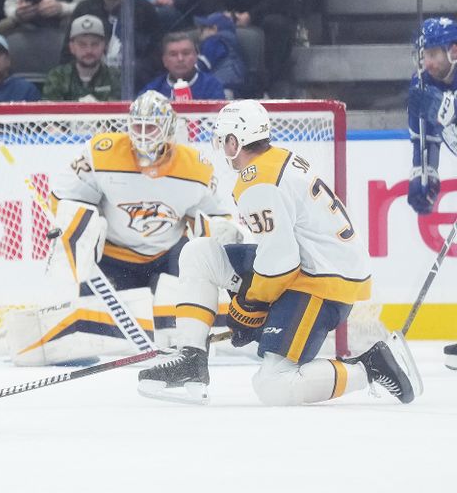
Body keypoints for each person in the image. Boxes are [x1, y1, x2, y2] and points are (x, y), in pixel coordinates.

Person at [138, 99, 421, 405]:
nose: (222, 149)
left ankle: (371, 366)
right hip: (311, 268)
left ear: (235, 142)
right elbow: (281, 250)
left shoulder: (258, 180)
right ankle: (191, 359)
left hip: (321, 283)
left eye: (223, 141)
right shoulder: (275, 160)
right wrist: (251, 299)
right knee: (200, 254)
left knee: (273, 384)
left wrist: (251, 303)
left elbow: (282, 261)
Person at [47, 90, 238, 352]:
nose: (144, 134)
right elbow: (65, 195)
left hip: (169, 256)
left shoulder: (196, 167)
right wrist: (74, 222)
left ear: (169, 128)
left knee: (175, 336)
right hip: (114, 257)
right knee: (100, 338)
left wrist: (223, 231)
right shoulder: (102, 152)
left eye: (152, 127)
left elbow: (216, 217)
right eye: (139, 125)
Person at [405, 17, 457, 371]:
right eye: (424, 54)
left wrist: (437, 105)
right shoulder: (421, 84)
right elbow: (426, 140)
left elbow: (446, 116)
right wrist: (424, 177)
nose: (428, 61)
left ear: (454, 51)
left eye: (435, 53)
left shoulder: (432, 90)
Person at [60, 0, 160, 89]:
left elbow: (156, 56)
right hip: (90, 83)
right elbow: (67, 54)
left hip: (135, 84)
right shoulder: (84, 9)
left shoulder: (145, 10)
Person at [43, 14, 119, 101]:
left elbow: (122, 110)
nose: (89, 50)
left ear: (104, 46)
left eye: (95, 44)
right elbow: (51, 111)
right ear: (72, 47)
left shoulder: (115, 76)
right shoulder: (58, 77)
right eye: (82, 44)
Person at [139, 30, 225, 100]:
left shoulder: (212, 86)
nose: (180, 59)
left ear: (196, 57)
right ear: (164, 61)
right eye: (173, 54)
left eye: (186, 53)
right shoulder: (153, 90)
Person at [194, 12, 247, 98]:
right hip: (234, 87)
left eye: (203, 28)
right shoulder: (230, 41)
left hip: (222, 88)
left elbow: (200, 66)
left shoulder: (213, 41)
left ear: (214, 29)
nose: (199, 31)